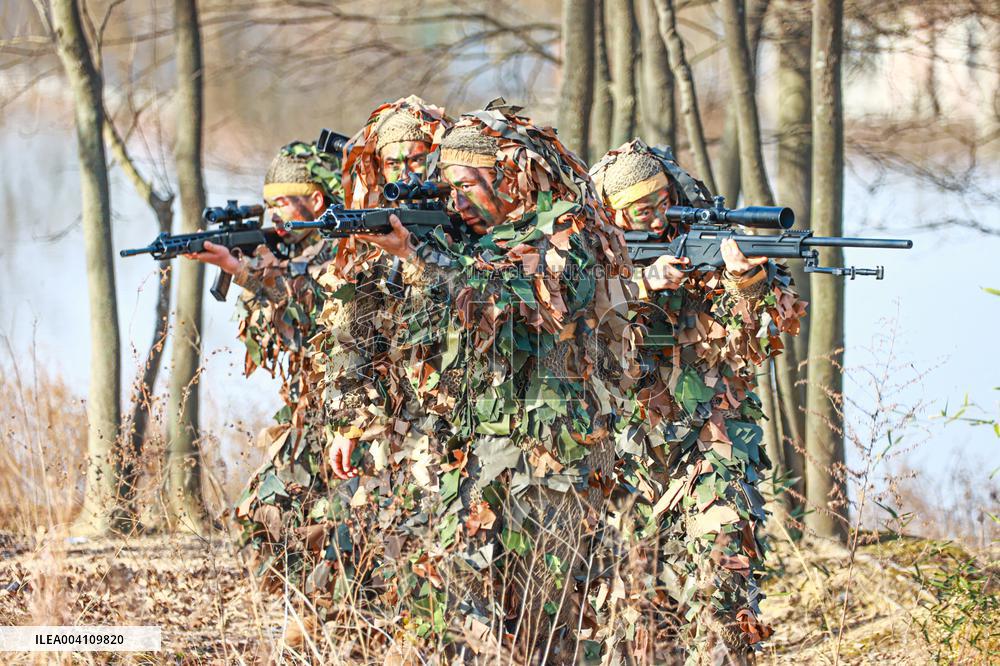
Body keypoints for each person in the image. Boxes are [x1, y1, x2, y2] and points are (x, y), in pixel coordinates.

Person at [340, 99, 639, 662]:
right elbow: (406, 335)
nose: (454, 201)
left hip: (553, 461)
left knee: (551, 620)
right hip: (474, 457)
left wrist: (423, 259)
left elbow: (515, 309)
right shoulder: (465, 240)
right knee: (460, 606)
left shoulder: (568, 233)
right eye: (446, 188)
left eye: (467, 185)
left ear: (509, 175)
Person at [590, 139, 807, 663]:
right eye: (639, 209)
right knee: (637, 595)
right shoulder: (589, 257)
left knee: (724, 575)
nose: (657, 215)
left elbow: (754, 341)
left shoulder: (708, 240)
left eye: (662, 199)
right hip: (627, 449)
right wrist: (643, 283)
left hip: (715, 439)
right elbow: (571, 329)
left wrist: (746, 282)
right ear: (611, 213)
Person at [183, 139, 349, 601]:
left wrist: (246, 270)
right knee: (263, 514)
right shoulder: (294, 253)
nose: (273, 214)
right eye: (269, 202)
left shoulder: (345, 249)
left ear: (315, 200)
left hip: (351, 416)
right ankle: (301, 615)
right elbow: (282, 331)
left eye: (282, 202)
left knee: (341, 531)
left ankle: (332, 618)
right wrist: (246, 266)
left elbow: (315, 315)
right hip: (309, 414)